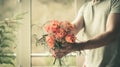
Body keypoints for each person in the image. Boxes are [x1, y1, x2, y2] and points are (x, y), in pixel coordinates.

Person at [52, 0, 120, 67]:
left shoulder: (115, 2)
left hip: (111, 64)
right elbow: (75, 27)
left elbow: (111, 34)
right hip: (89, 64)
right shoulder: (85, 7)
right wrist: (57, 41)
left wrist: (77, 46)